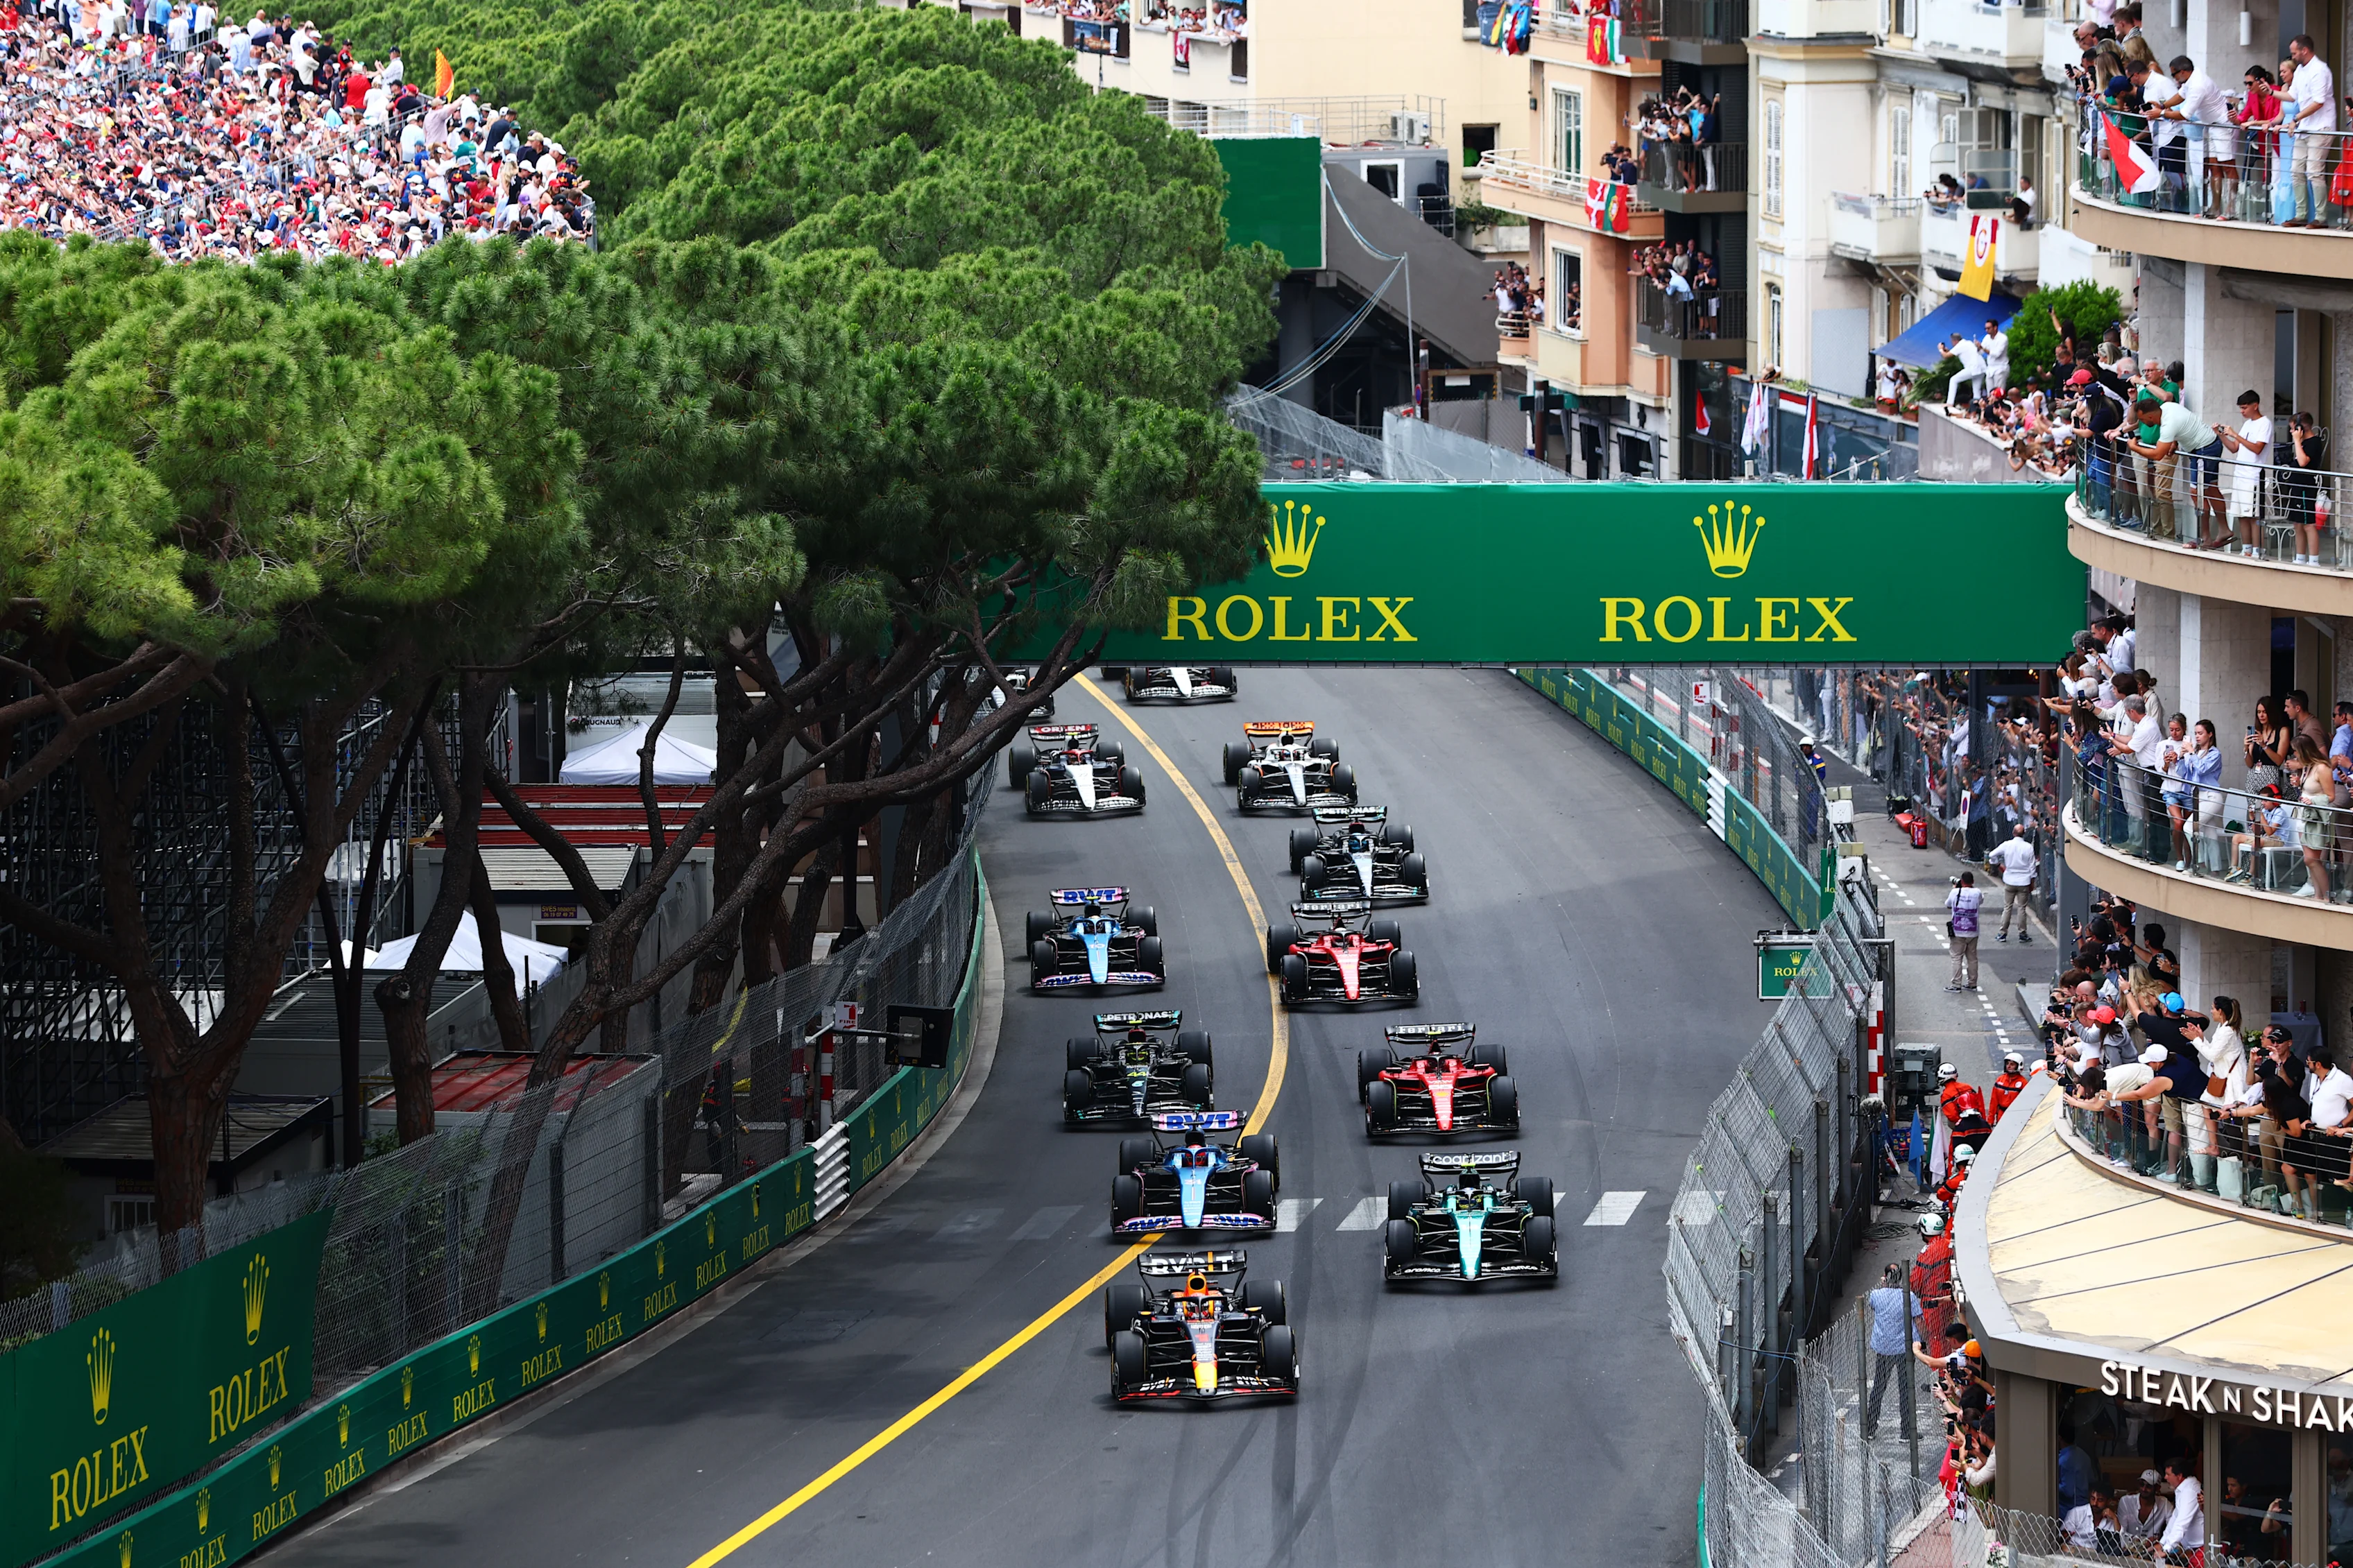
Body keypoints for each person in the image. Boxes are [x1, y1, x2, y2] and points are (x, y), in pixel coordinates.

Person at [1861, 1261, 1923, 1438]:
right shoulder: (1909, 1296)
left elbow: (1874, 1307)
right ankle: (1906, 1431)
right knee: (1906, 1389)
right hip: (1904, 1348)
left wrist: (1884, 1287)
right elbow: (1918, 1321)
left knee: (1878, 1388)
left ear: (1885, 1277)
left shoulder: (1876, 1295)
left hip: (1884, 1348)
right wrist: (1923, 1342)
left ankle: (1871, 1428)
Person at [2285, 34, 2338, 227]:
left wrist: (2296, 118)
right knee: (2296, 170)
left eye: (2294, 53)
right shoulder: (2300, 70)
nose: (2292, 57)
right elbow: (2292, 96)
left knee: (2314, 171)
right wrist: (2270, 92)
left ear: (2304, 50)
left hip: (2321, 126)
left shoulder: (2320, 70)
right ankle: (2301, 215)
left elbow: (2319, 101)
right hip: (2305, 128)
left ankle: (2321, 217)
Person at [2212, 389, 2273, 555]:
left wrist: (2235, 435)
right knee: (2242, 515)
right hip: (2240, 474)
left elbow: (2258, 449)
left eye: (2245, 408)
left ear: (2256, 406)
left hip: (2253, 476)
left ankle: (2257, 550)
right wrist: (2222, 436)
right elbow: (2234, 448)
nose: (2242, 412)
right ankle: (2246, 549)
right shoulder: (2247, 424)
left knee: (2254, 516)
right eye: (2241, 408)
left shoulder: (2265, 423)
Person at [2282, 411, 2330, 562]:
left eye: (2293, 429)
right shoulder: (2302, 443)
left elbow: (2303, 462)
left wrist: (2297, 441)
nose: (2291, 432)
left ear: (2300, 428)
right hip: (2296, 486)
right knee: (2298, 524)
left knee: (2308, 524)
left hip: (2306, 487)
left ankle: (2314, 559)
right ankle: (2300, 557)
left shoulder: (2313, 442)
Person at [1987, 821, 2038, 940]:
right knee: (2022, 908)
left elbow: (1992, 855)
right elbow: (2032, 867)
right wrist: (2032, 881)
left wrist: (1997, 863)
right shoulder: (2028, 847)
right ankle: (2022, 933)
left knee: (2007, 907)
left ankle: (2003, 932)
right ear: (2024, 834)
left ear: (2013, 833)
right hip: (2024, 881)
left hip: (2010, 879)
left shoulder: (2007, 845)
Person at [1946, 872, 1983, 991]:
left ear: (1961, 881)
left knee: (1957, 957)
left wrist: (1956, 889)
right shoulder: (1977, 892)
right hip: (1973, 931)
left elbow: (1948, 904)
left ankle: (1956, 984)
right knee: (1972, 958)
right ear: (1973, 882)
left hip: (1958, 930)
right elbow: (1981, 901)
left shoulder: (1955, 892)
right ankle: (1972, 983)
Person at [1990, 1051, 2030, 1120]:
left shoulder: (2023, 1083)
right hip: (2001, 1116)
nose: (2008, 1066)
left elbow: (2026, 1104)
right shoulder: (2000, 1080)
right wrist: (1990, 1120)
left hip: (2015, 1117)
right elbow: (1994, 1102)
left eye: (2012, 1064)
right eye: (2007, 1063)